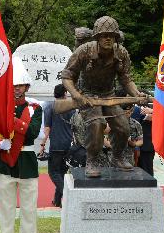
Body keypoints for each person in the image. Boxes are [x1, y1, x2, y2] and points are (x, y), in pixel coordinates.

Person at [60, 15, 145, 177]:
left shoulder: (121, 52)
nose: (108, 39)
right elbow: (67, 76)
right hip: (88, 95)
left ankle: (117, 157)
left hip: (108, 95)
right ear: (97, 37)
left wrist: (136, 93)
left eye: (111, 36)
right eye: (104, 35)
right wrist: (76, 95)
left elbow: (126, 79)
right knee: (97, 124)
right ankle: (91, 160)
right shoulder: (84, 51)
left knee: (123, 127)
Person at [0, 59, 42, 233]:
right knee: (6, 213)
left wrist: (11, 119)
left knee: (29, 213)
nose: (16, 89)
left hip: (27, 164)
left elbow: (32, 132)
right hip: (5, 165)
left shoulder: (34, 108)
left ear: (26, 87)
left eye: (19, 85)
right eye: (12, 85)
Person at [40, 84, 74, 207]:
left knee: (53, 172)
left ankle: (68, 194)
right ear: (65, 93)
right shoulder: (71, 108)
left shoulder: (49, 106)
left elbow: (47, 128)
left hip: (56, 145)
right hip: (68, 145)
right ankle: (57, 200)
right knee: (62, 173)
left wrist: (43, 143)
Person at [132, 103, 155, 176]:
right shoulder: (132, 108)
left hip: (146, 147)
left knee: (147, 172)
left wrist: (152, 111)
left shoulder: (152, 106)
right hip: (131, 146)